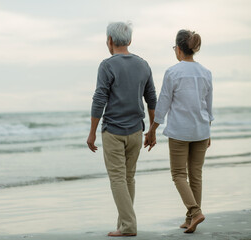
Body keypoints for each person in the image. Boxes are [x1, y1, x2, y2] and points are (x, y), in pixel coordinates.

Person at [87, 22, 157, 237]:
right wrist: (152, 130)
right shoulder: (143, 64)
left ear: (109, 41)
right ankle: (123, 224)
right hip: (136, 131)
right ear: (129, 40)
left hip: (114, 131)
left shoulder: (107, 65)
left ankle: (128, 226)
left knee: (118, 178)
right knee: (128, 178)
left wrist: (91, 133)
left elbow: (99, 100)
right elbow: (151, 98)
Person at [145, 29, 214, 233]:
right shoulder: (206, 73)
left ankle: (195, 211)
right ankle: (190, 218)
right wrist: (208, 132)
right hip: (201, 131)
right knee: (196, 175)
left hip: (179, 132)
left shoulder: (173, 72)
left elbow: (164, 103)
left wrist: (152, 130)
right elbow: (208, 107)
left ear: (178, 49)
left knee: (178, 174)